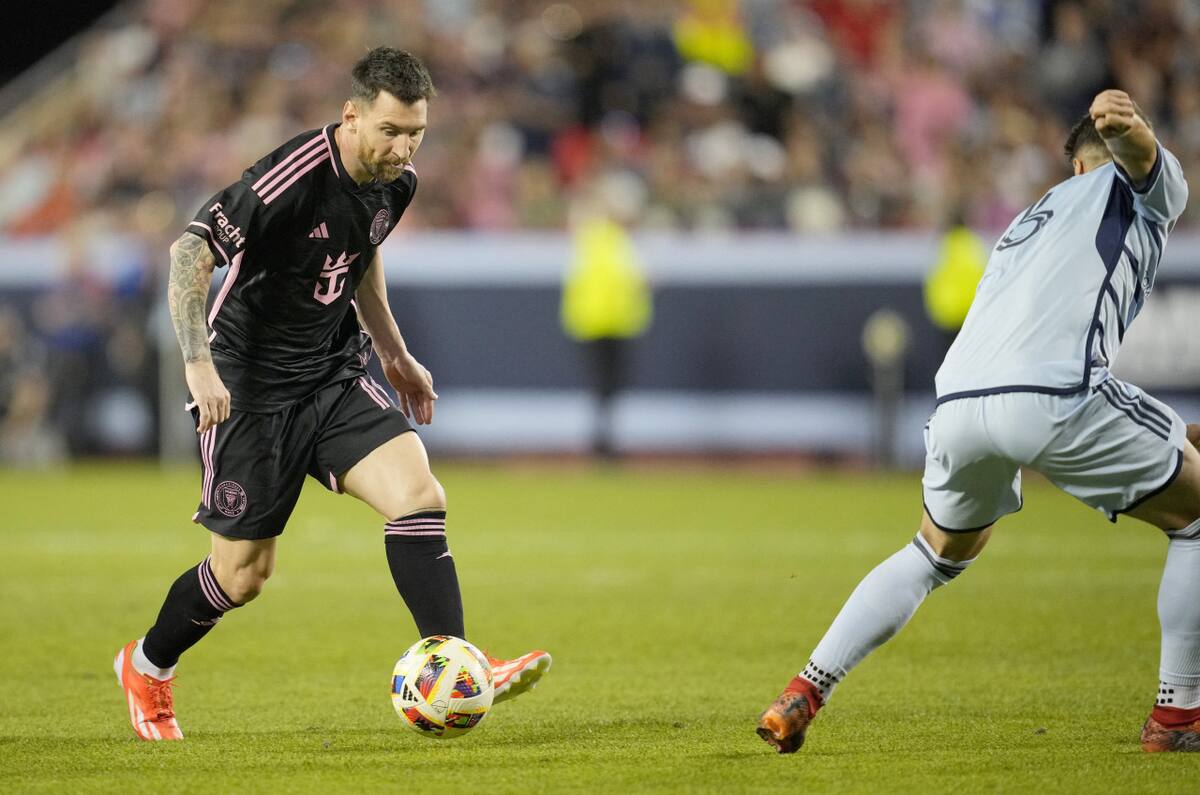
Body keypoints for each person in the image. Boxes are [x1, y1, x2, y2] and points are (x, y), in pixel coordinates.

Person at [114, 47, 551, 742]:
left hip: (330, 372)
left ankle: (459, 660)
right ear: (351, 115)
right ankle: (146, 664)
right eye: (389, 131)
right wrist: (198, 364)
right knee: (243, 573)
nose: (404, 148)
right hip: (247, 388)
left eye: (416, 134)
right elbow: (188, 253)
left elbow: (361, 252)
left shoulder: (395, 181)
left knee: (418, 496)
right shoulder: (293, 175)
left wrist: (395, 354)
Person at [758, 89, 1200, 754]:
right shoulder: (1125, 186)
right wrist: (1132, 128)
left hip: (961, 404)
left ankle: (805, 688)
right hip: (1054, 393)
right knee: (1196, 517)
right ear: (1093, 163)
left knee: (932, 553)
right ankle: (1178, 717)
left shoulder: (1025, 221)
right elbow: (1140, 163)